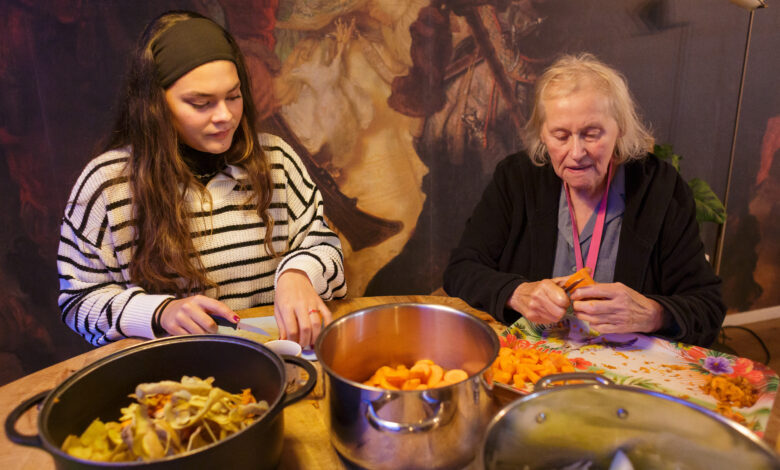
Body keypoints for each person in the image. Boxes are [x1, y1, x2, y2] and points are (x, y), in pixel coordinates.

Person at [58, 11, 346, 348]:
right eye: (201, 103)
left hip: (277, 362)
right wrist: (159, 312)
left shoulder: (275, 161)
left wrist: (300, 274)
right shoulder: (107, 186)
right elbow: (78, 302)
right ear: (155, 106)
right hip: (170, 379)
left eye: (234, 96)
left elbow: (326, 248)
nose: (225, 116)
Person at [443, 53, 725, 347]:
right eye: (561, 136)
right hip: (533, 364)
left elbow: (708, 307)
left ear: (620, 129)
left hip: (627, 373)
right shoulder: (516, 179)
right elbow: (461, 270)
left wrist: (653, 314)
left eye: (591, 134)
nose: (576, 152)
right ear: (542, 134)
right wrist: (517, 292)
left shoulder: (660, 188)